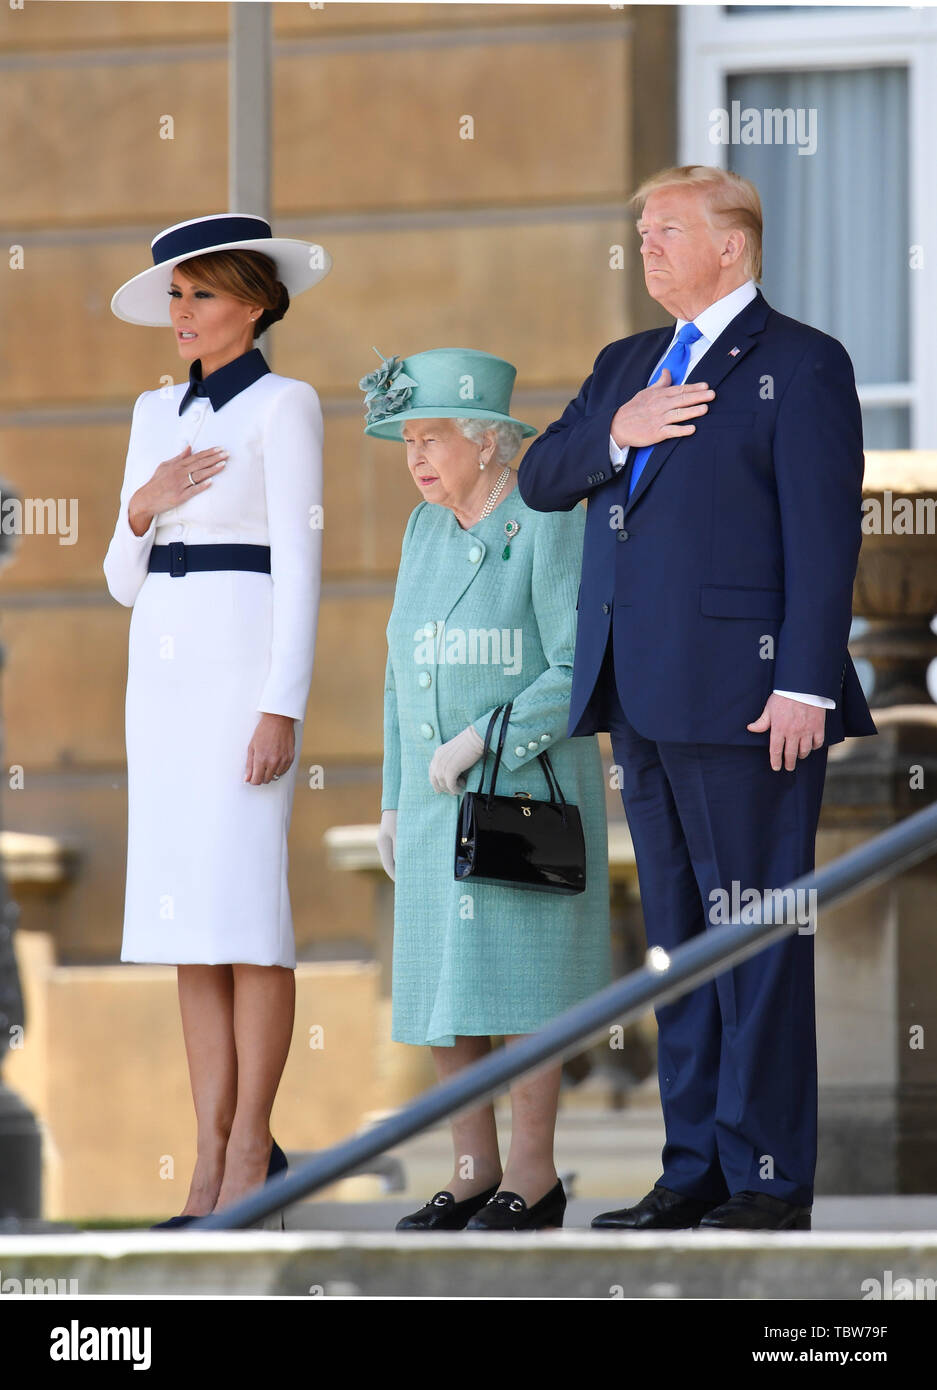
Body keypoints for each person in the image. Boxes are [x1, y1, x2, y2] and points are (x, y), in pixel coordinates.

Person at [518, 166, 877, 1232]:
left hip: (751, 700)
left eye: (666, 228)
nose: (645, 245)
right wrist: (618, 428)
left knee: (757, 933)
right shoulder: (625, 364)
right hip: (639, 696)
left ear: (733, 245)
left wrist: (806, 677)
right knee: (677, 938)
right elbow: (543, 476)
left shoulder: (802, 362)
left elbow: (825, 535)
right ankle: (694, 1171)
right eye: (638, 228)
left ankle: (766, 1176)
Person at [104, 213, 330, 1228]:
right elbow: (117, 579)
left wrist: (281, 703)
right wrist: (143, 506)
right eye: (175, 296)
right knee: (190, 927)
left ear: (255, 301)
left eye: (200, 293)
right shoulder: (152, 414)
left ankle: (252, 1155)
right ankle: (204, 1170)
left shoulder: (287, 406)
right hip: (161, 670)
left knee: (250, 921)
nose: (182, 312)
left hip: (244, 670)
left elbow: (303, 567)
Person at [364, 347, 611, 1231]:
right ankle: (472, 1172)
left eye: (432, 438)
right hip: (435, 806)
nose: (416, 457)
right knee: (444, 994)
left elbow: (574, 664)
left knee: (526, 991)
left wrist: (485, 738)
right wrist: (394, 798)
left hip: (522, 791)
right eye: (408, 441)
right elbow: (399, 671)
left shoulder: (547, 518)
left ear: (490, 441)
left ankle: (535, 1180)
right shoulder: (421, 529)